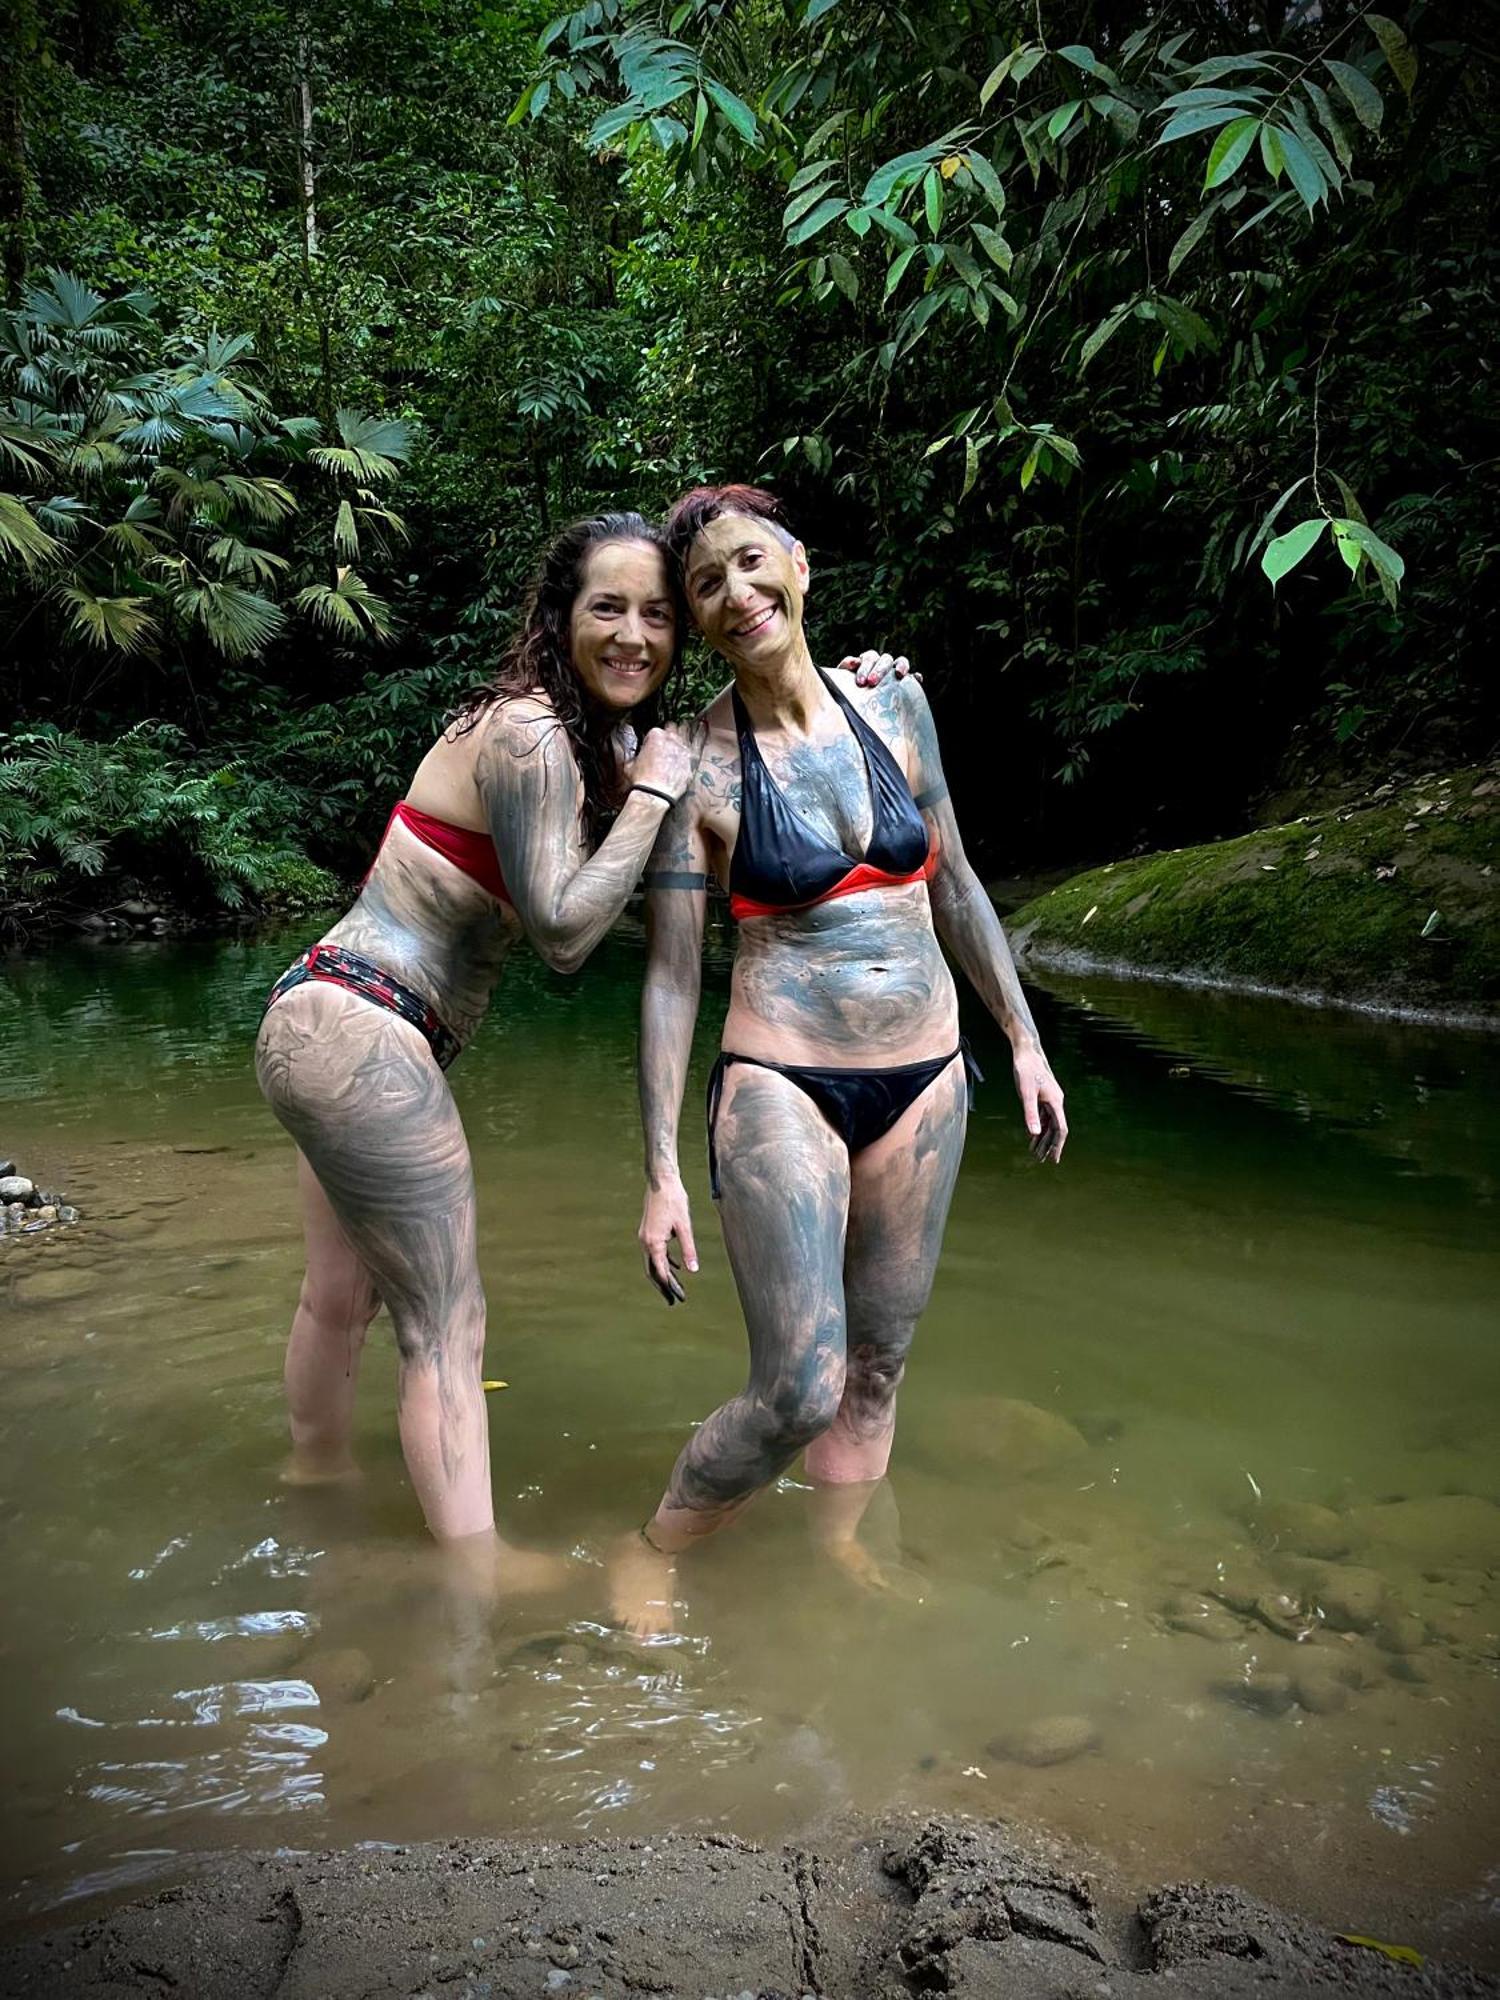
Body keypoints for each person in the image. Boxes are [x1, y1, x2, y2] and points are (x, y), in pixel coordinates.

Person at [254, 508, 908, 1594]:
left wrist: (849, 675)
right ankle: (474, 1571)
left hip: (331, 1018)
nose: (635, 635)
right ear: (559, 618)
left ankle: (313, 1477)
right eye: (607, 607)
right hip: (361, 1021)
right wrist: (656, 790)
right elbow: (561, 934)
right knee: (445, 1323)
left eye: (658, 613)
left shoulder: (603, 743)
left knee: (343, 1294)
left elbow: (727, 741)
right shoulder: (528, 733)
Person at [615, 485, 1068, 1635]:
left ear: (801, 568)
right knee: (799, 1384)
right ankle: (656, 1542)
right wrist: (662, 1165)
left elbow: (955, 881)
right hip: (782, 1080)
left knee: (875, 1370)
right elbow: (672, 974)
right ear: (698, 620)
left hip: (926, 1077)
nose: (736, 593)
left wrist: (1022, 1037)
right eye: (707, 585)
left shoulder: (898, 699)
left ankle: (838, 1553)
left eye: (752, 563)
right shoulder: (698, 765)